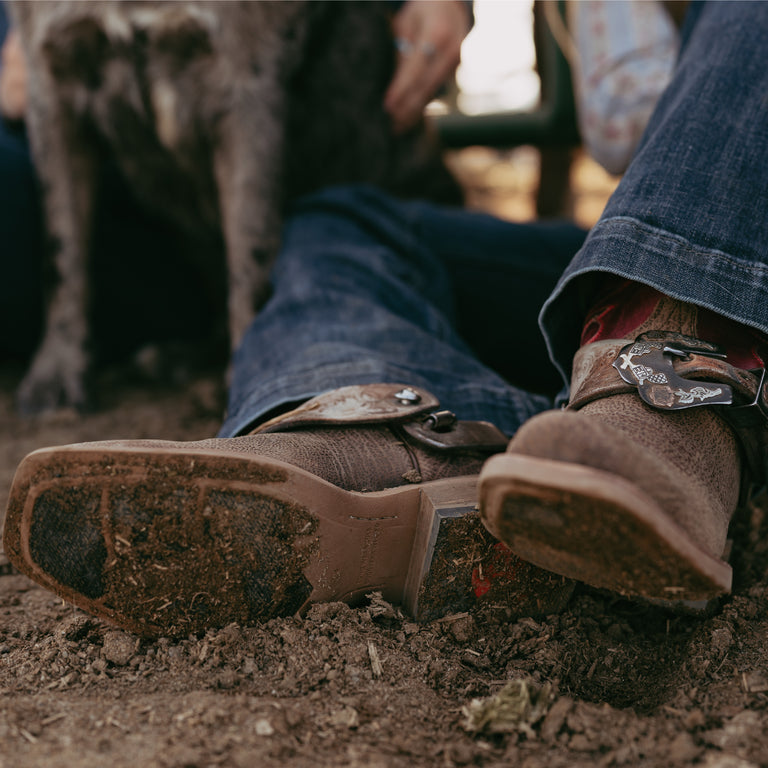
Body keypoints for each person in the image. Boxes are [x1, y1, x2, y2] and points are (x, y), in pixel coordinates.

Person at [5, 0, 767, 638]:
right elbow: (619, 113)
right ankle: (397, 432)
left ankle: (672, 384)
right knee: (340, 219)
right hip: (625, 250)